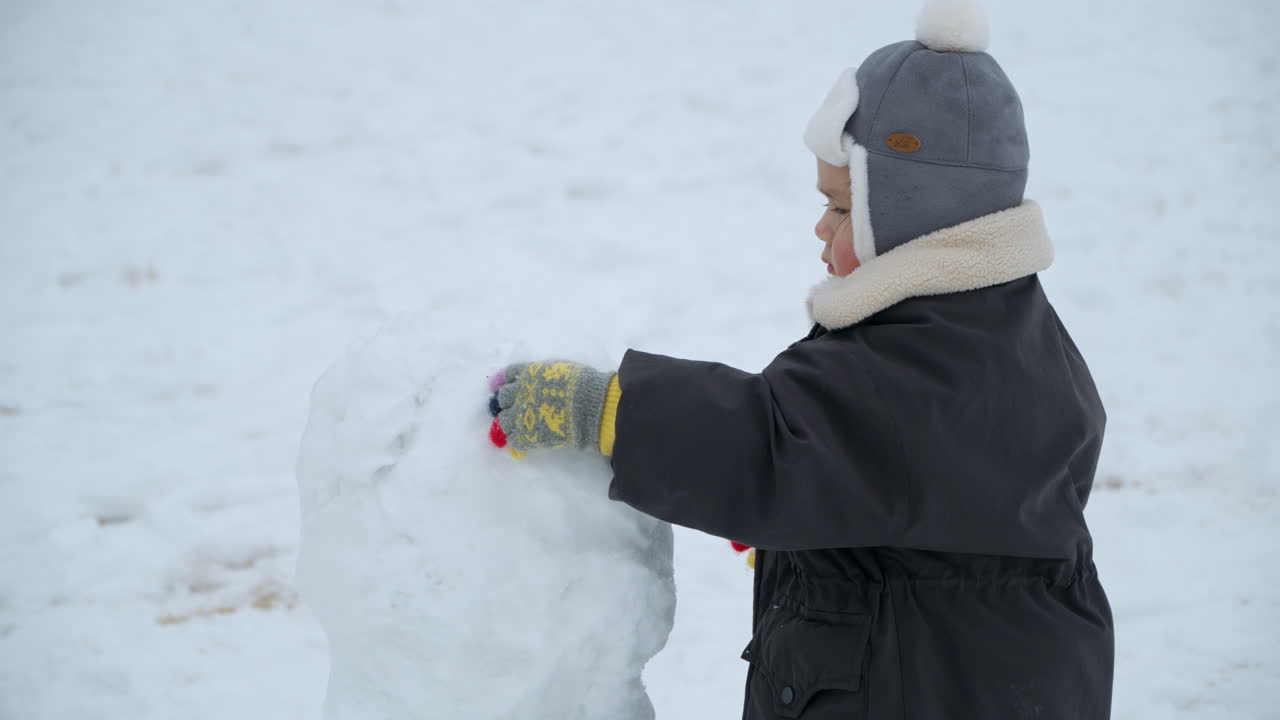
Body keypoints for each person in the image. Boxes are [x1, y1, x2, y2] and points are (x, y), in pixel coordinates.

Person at [486, 1, 1113, 717]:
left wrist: (607, 411)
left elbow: (775, 442)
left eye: (844, 208)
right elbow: (903, 490)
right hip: (960, 667)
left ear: (916, 217)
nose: (822, 226)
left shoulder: (924, 365)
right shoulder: (1005, 332)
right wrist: (815, 545)